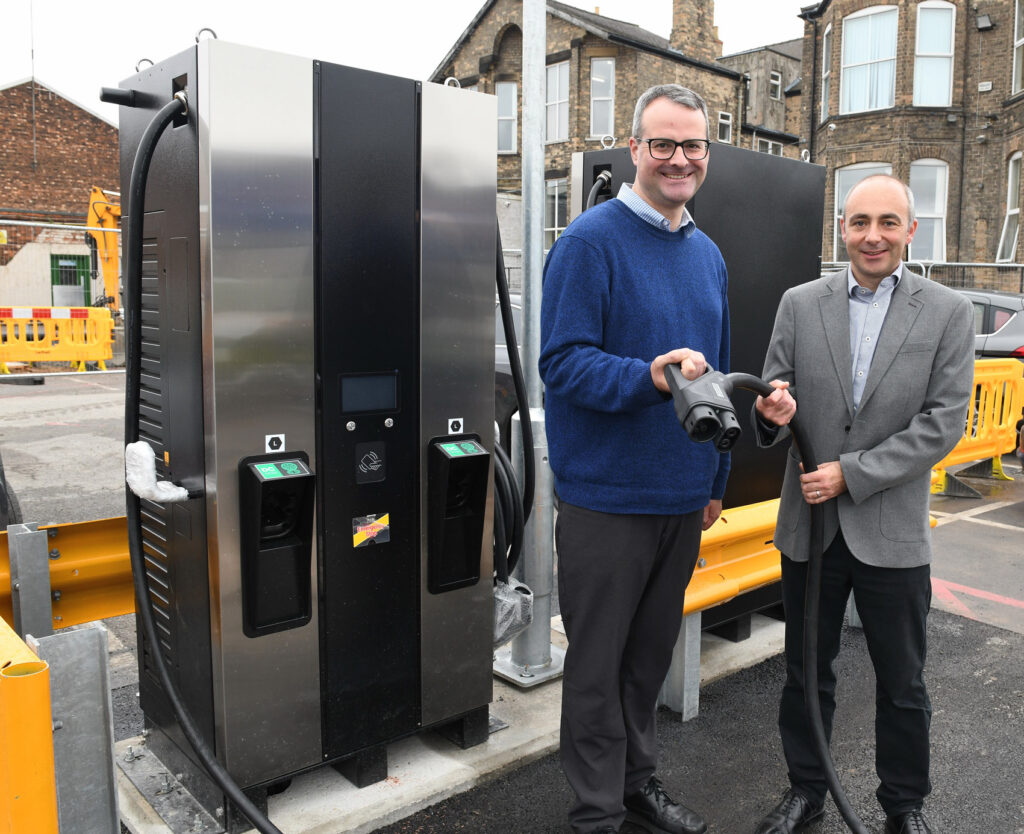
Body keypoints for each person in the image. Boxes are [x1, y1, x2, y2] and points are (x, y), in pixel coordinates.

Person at [752, 174, 975, 834]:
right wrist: (773, 412)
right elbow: (771, 404)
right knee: (804, 677)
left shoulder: (947, 312)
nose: (871, 235)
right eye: (858, 222)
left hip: (891, 530)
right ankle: (806, 793)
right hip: (809, 527)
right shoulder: (799, 303)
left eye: (887, 222)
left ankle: (903, 808)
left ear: (910, 230)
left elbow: (943, 422)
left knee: (903, 683)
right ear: (841, 229)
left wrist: (851, 474)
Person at [539, 84, 729, 834]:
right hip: (607, 499)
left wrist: (713, 477)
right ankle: (594, 815)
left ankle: (636, 786)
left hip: (681, 497)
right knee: (596, 669)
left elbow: (716, 371)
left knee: (647, 662)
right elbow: (563, 364)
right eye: (663, 144)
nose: (678, 158)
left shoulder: (708, 254)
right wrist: (648, 376)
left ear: (706, 155)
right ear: (635, 149)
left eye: (693, 146)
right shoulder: (589, 243)